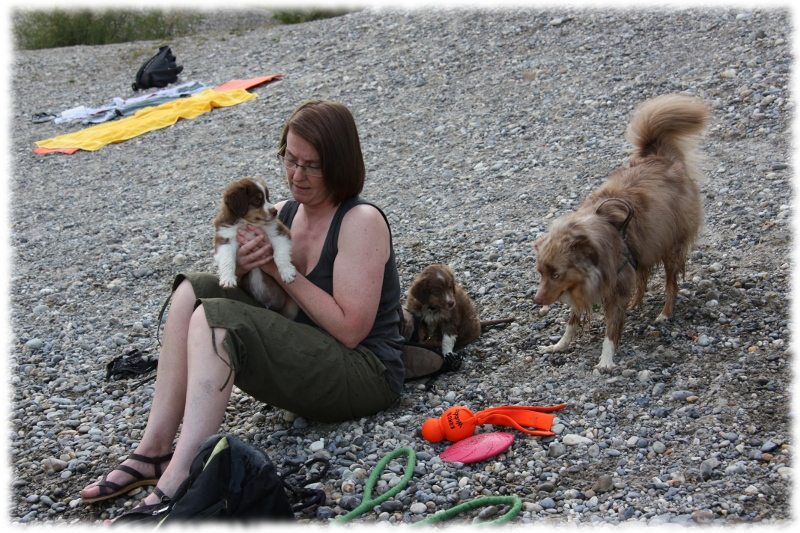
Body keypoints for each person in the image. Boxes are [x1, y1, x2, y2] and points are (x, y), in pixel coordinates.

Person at [79, 100, 406, 515]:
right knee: (193, 292)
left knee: (218, 322)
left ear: (341, 164)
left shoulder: (361, 221)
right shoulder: (286, 212)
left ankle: (181, 477)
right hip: (310, 352)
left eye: (313, 165)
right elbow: (264, 300)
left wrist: (275, 267)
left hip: (364, 372)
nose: (296, 175)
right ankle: (155, 449)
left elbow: (350, 330)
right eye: (290, 159)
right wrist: (246, 265)